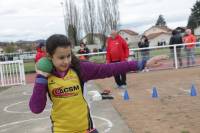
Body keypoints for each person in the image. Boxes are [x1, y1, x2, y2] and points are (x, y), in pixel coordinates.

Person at [29, 34, 168, 133]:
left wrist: (142, 63)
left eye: (68, 56)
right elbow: (36, 108)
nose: (66, 61)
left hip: (86, 129)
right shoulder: (46, 76)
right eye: (60, 57)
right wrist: (41, 78)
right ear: (49, 56)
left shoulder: (79, 69)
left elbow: (110, 69)